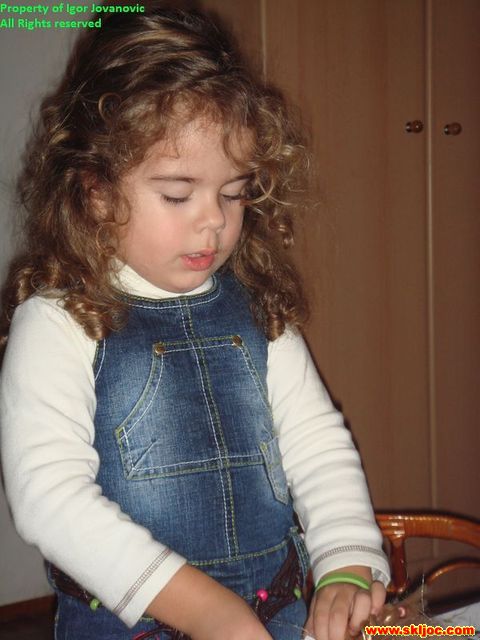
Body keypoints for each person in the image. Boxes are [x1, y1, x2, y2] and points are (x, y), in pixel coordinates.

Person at [0, 4, 390, 640]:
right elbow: (50, 500)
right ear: (96, 191)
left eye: (233, 192)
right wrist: (208, 610)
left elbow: (317, 443)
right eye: (178, 194)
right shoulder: (57, 322)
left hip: (277, 614)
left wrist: (346, 559)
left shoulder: (256, 308)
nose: (214, 219)